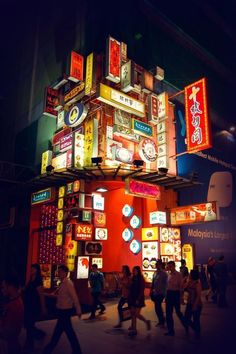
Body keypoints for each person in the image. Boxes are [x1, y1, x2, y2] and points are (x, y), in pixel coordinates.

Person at [43, 265, 82, 354]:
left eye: (60, 271)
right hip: (62, 311)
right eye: (58, 271)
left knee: (62, 332)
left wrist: (78, 310)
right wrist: (50, 295)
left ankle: (48, 349)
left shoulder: (68, 283)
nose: (58, 273)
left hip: (65, 312)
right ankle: (77, 351)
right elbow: (61, 296)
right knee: (67, 332)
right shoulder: (62, 283)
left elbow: (74, 297)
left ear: (65, 273)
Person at [23, 263, 47, 351]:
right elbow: (27, 289)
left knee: (30, 324)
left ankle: (29, 344)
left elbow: (41, 295)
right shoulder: (31, 280)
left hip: (33, 306)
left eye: (33, 269)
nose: (31, 270)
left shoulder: (38, 281)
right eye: (31, 269)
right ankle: (37, 337)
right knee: (29, 325)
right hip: (28, 305)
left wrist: (43, 307)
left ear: (37, 270)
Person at [0, 274, 24, 354]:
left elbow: (10, 329)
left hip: (11, 338)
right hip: (12, 339)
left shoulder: (14, 305)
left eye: (3, 287)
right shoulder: (15, 300)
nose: (2, 290)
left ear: (11, 287)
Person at [164, 261, 187, 336]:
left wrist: (181, 297)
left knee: (178, 312)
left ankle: (186, 324)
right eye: (168, 266)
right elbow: (167, 286)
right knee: (168, 313)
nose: (169, 268)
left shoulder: (178, 274)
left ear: (174, 266)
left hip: (175, 294)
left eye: (170, 266)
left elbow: (181, 286)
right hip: (169, 294)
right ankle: (170, 330)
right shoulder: (168, 274)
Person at [128, 266, 151, 336]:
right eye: (133, 270)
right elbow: (130, 287)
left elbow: (141, 290)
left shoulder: (141, 279)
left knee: (136, 314)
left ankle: (146, 322)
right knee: (132, 313)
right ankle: (134, 329)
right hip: (132, 297)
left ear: (138, 271)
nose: (134, 272)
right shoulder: (133, 278)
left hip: (138, 298)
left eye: (135, 271)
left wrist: (138, 299)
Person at [184, 269, 202, 338]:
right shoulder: (189, 282)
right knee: (186, 317)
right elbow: (183, 288)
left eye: (190, 274)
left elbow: (198, 296)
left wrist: (195, 305)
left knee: (196, 319)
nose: (189, 274)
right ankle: (195, 328)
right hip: (189, 303)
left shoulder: (197, 284)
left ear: (193, 275)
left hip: (196, 304)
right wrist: (185, 280)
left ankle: (197, 333)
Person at [150, 260, 168, 327]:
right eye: (156, 264)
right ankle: (162, 319)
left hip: (161, 293)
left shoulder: (164, 274)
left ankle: (161, 321)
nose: (156, 265)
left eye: (157, 264)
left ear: (160, 265)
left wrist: (165, 294)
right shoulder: (155, 273)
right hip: (155, 293)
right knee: (157, 307)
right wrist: (151, 290)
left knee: (157, 306)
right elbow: (153, 282)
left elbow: (166, 284)